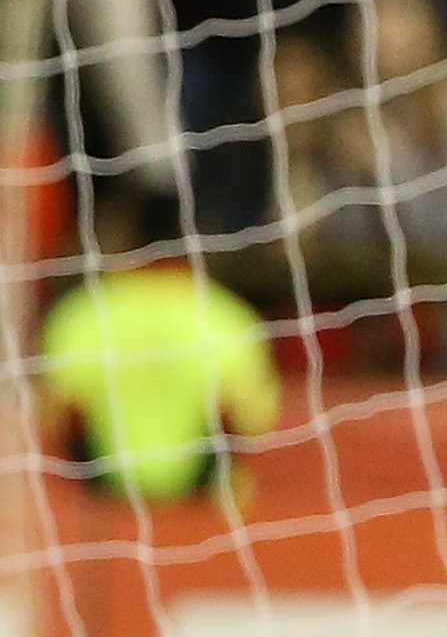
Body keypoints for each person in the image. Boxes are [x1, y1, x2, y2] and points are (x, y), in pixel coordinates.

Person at [37, 184, 280, 509]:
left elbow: (57, 415)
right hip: (200, 497)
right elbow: (250, 421)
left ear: (126, 240)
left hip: (104, 493)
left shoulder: (81, 314)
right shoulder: (225, 316)